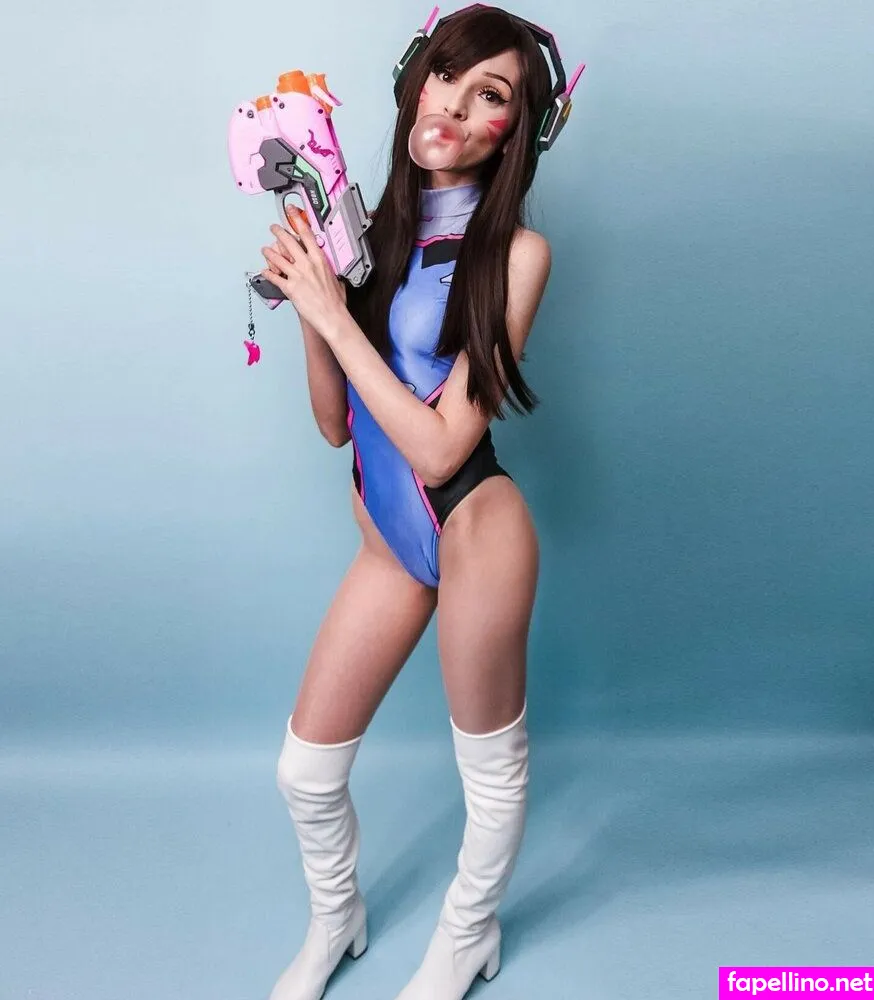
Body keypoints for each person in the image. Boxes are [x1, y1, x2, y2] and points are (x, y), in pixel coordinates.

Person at [258, 6, 556, 999]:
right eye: (446, 75)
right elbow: (335, 425)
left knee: (489, 770)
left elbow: (438, 447)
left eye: (490, 95)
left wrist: (334, 314)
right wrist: (310, 301)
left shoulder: (517, 254)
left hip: (475, 528)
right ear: (414, 83)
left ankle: (468, 935)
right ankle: (336, 918)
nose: (457, 106)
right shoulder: (369, 233)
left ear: (512, 132)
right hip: (389, 543)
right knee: (304, 771)